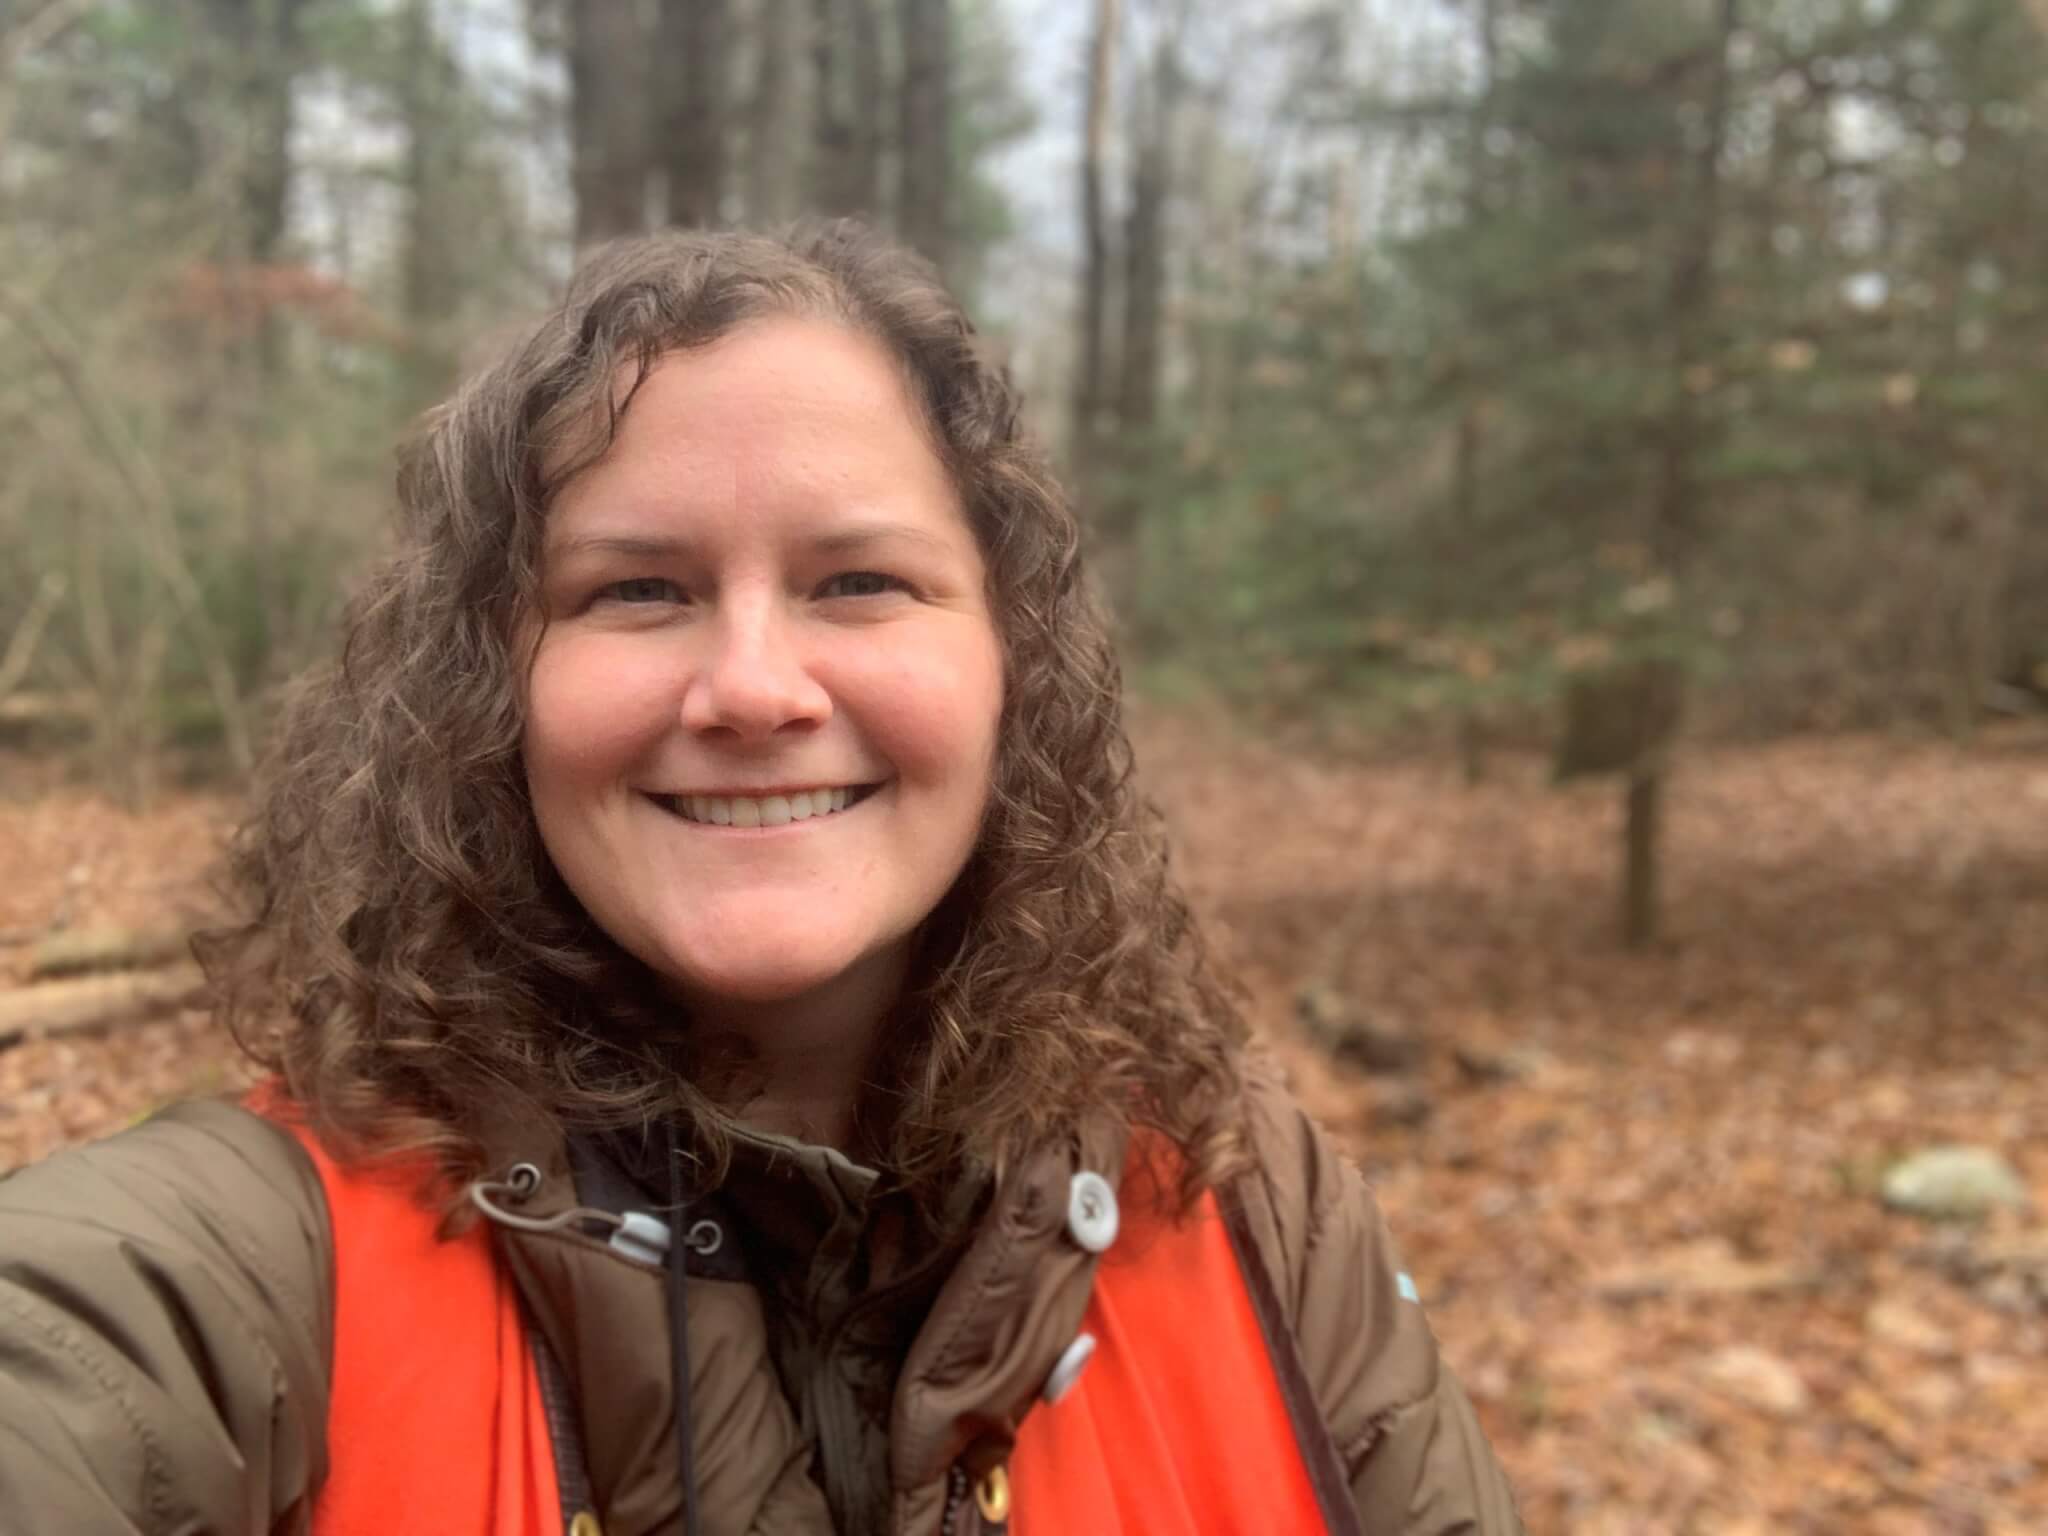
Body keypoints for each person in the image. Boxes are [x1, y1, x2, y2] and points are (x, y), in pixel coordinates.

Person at [0, 225, 1521, 1535]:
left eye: (858, 581)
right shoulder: (250, 1278)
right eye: (636, 590)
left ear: (1015, 667)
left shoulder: (1253, 1212)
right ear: (483, 690)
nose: (751, 687)